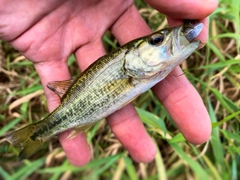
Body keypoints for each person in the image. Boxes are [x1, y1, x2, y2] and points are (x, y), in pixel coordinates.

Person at [0, 0, 218, 166]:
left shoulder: (144, 71)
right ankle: (34, 134)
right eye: (157, 41)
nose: (162, 41)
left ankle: (33, 135)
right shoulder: (135, 72)